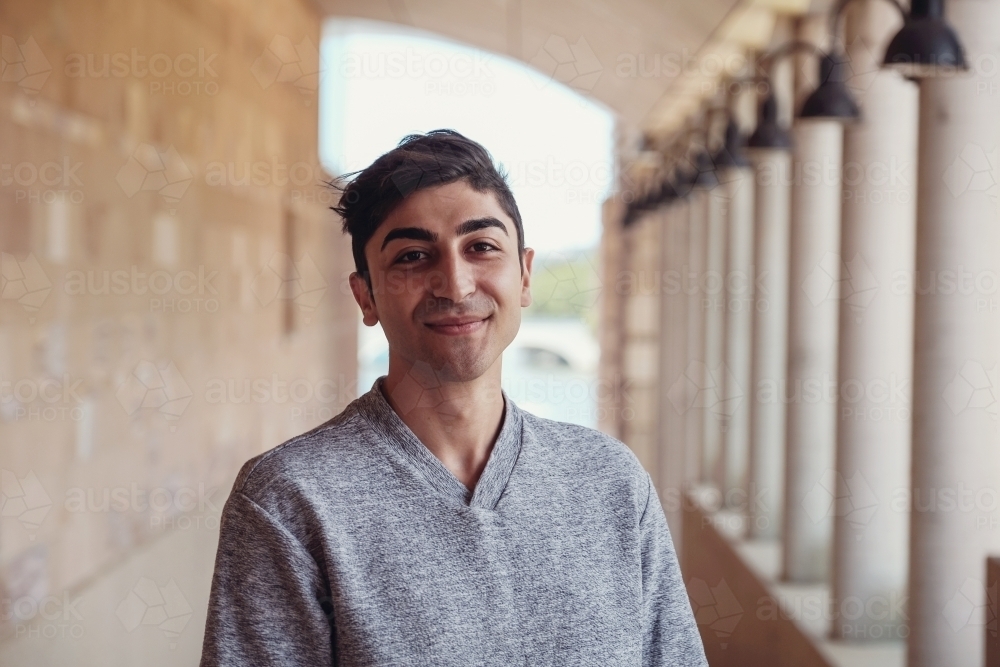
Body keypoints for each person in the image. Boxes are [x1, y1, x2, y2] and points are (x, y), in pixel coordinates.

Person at [199, 130, 708, 666]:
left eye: (482, 247)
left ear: (525, 274)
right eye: (414, 256)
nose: (456, 284)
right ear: (365, 295)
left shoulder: (611, 483)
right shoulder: (291, 501)